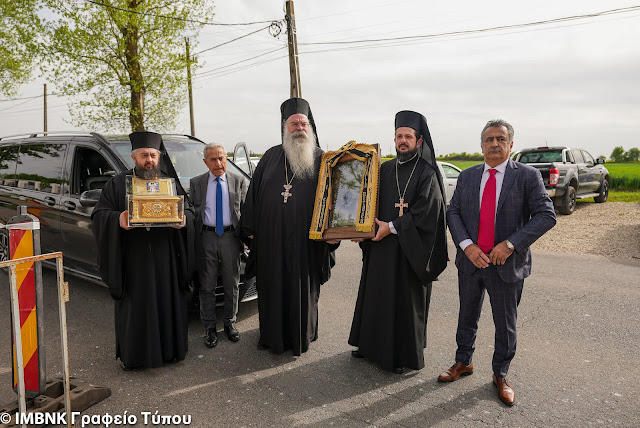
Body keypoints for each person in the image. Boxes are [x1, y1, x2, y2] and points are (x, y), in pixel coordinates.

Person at [438, 119, 556, 405]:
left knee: (505, 324)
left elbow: (546, 215)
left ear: (510, 145)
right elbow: (452, 213)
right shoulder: (467, 177)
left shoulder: (526, 176)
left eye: (500, 139)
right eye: (489, 139)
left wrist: (510, 244)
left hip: (506, 265)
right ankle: (463, 361)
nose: (494, 144)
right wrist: (466, 246)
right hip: (471, 263)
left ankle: (501, 374)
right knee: (467, 316)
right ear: (481, 145)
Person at [348, 110, 449, 374]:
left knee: (405, 303)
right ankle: (369, 347)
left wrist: (392, 227)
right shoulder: (384, 169)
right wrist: (360, 226)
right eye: (398, 136)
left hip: (409, 251)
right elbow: (367, 201)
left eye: (408, 136)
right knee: (376, 295)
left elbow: (429, 210)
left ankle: (403, 356)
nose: (402, 141)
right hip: (380, 247)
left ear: (419, 140)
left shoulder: (427, 173)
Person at [239, 97, 337, 356]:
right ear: (285, 128)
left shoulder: (323, 159)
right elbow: (254, 194)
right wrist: (248, 226)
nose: (299, 128)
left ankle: (301, 335)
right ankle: (272, 336)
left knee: (302, 288)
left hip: (307, 242)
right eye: (293, 124)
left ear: (311, 127)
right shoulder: (271, 156)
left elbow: (335, 200)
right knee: (271, 287)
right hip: (271, 239)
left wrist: (335, 233)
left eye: (303, 123)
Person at [92, 131, 194, 370]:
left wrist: (183, 221)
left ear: (159, 157)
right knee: (137, 306)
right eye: (144, 155)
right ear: (133, 157)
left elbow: (190, 212)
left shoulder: (169, 182)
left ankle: (170, 352)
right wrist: (119, 218)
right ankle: (137, 357)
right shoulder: (117, 184)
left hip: (166, 258)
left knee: (167, 302)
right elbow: (99, 216)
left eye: (153, 155)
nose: (149, 160)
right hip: (133, 259)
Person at [190, 143, 247, 348]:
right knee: (207, 285)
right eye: (213, 159)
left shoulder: (238, 181)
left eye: (221, 158)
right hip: (206, 238)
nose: (218, 163)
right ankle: (210, 328)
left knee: (232, 284)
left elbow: (246, 212)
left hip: (231, 238)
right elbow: (191, 212)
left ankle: (230, 323)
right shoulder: (196, 183)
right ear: (205, 162)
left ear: (227, 159)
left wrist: (247, 239)